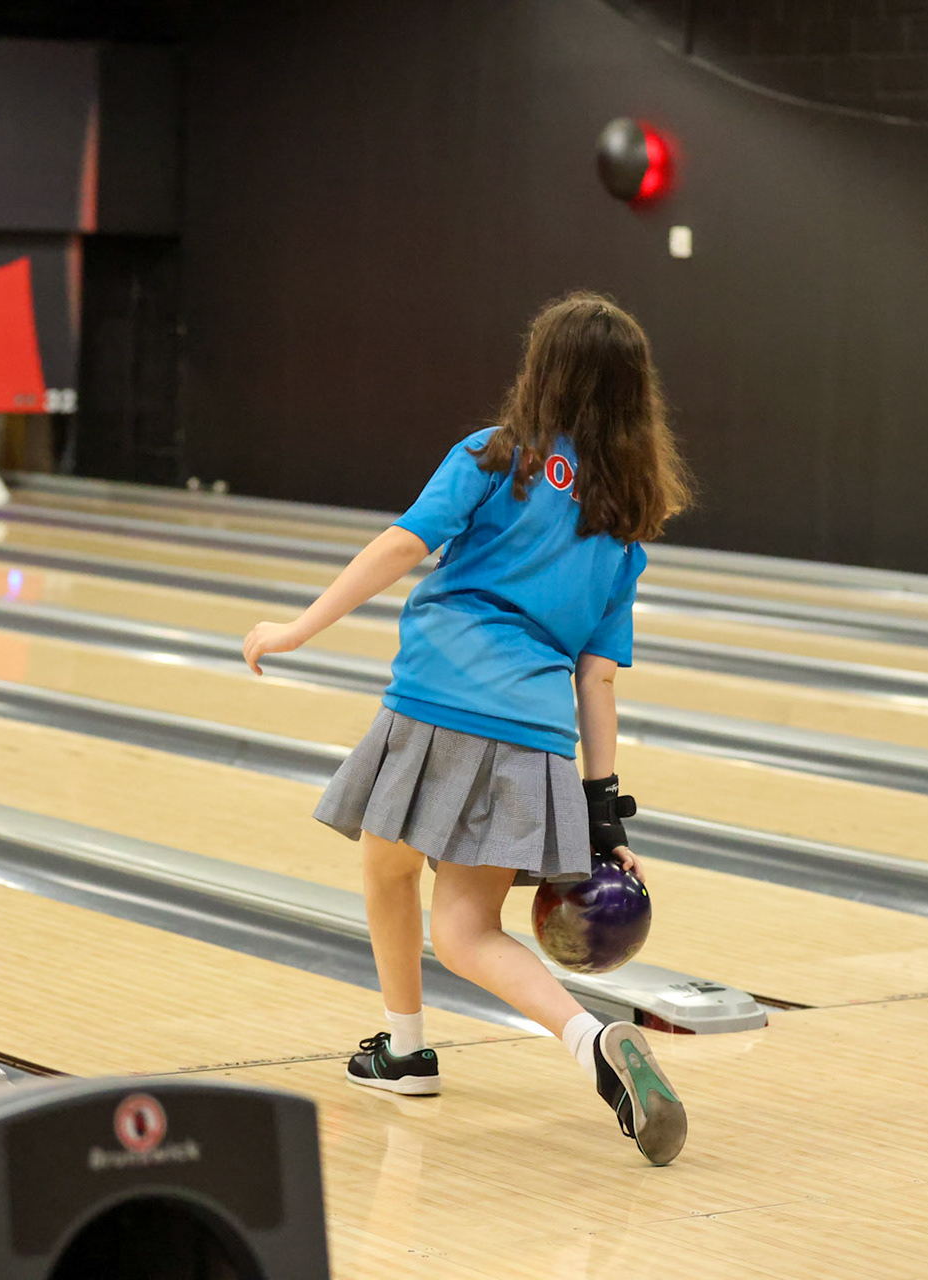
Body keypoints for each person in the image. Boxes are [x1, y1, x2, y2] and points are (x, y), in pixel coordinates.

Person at [241, 292, 695, 1166]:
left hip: (436, 698)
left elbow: (405, 544)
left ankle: (407, 1046)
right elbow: (597, 679)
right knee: (461, 923)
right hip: (535, 727)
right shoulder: (625, 524)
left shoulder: (498, 457)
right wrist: (606, 818)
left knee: (388, 863)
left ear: (544, 371)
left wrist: (298, 628)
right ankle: (588, 1043)